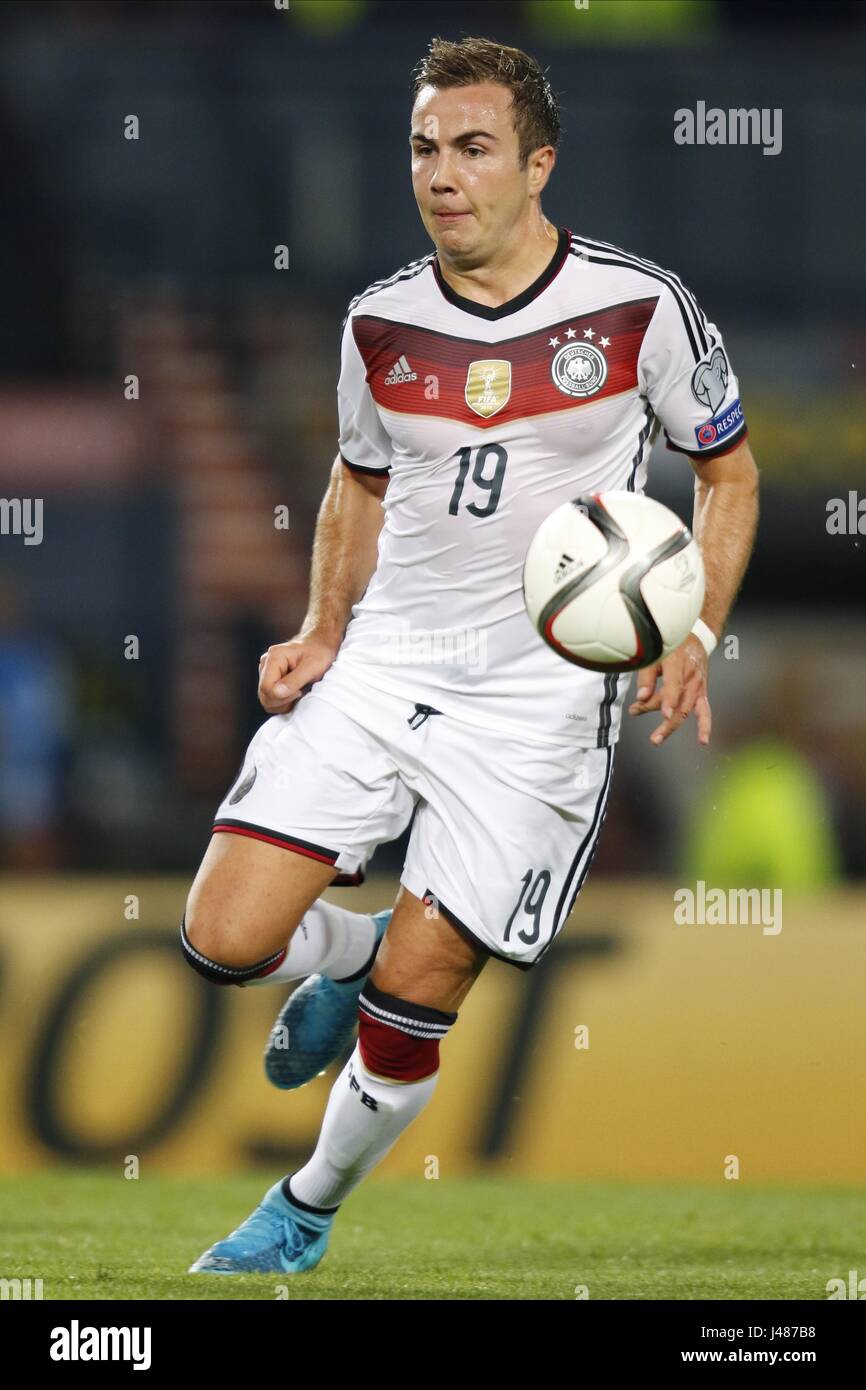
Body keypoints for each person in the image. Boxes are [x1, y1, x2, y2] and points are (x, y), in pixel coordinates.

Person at [184, 35, 759, 1275]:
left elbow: (728, 475)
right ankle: (346, 949)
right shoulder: (378, 322)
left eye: (473, 147)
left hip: (537, 705)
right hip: (389, 660)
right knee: (222, 937)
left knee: (415, 1003)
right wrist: (321, 626)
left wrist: (695, 629)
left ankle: (301, 1210)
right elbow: (354, 481)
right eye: (423, 149)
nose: (442, 175)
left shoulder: (636, 309)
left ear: (537, 164)